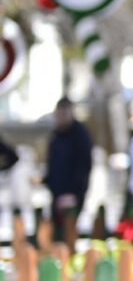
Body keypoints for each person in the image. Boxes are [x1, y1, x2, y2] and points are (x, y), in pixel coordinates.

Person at [44, 97, 93, 245]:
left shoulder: (80, 135)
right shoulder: (56, 135)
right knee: (56, 236)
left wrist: (74, 193)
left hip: (72, 194)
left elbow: (83, 167)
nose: (61, 117)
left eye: (64, 113)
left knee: (69, 235)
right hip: (57, 193)